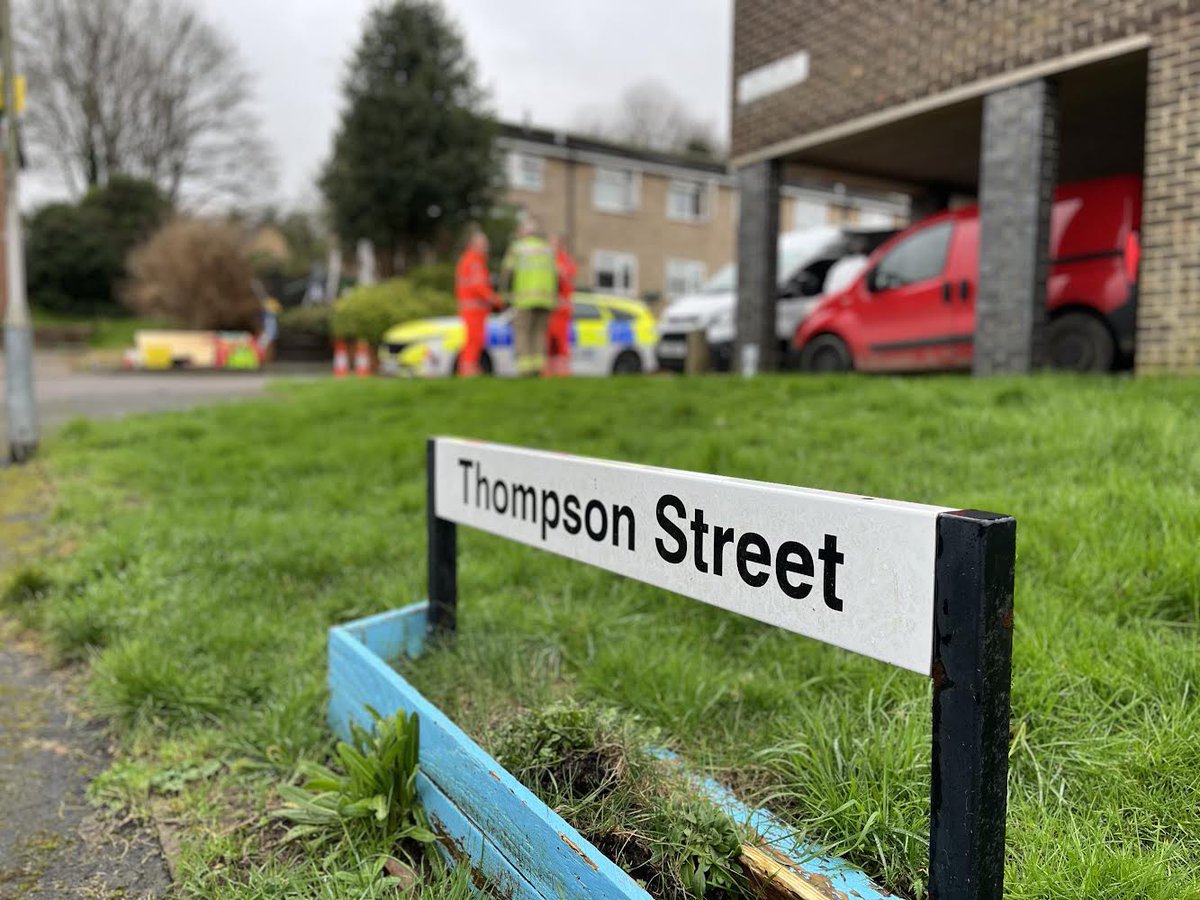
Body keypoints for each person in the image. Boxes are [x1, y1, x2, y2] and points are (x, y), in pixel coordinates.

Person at [502, 219, 557, 376]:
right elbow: (555, 275)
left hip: (525, 299)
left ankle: (525, 369)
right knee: (539, 332)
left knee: (522, 331)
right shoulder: (546, 249)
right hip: (546, 299)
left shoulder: (518, 248)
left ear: (523, 232)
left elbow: (507, 273)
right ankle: (539, 367)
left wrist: (504, 294)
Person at [455, 230, 501, 376]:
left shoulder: (472, 260)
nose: (486, 246)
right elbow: (479, 286)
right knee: (474, 340)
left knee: (475, 340)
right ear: (473, 244)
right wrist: (495, 299)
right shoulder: (474, 261)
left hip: (475, 310)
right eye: (483, 244)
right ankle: (468, 371)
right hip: (474, 310)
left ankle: (469, 368)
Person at [546, 234, 577, 376]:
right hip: (550, 309)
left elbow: (566, 275)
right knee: (549, 345)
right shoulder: (548, 260)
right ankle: (549, 373)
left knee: (560, 344)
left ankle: (563, 373)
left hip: (560, 310)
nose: (550, 246)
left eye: (553, 243)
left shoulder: (563, 260)